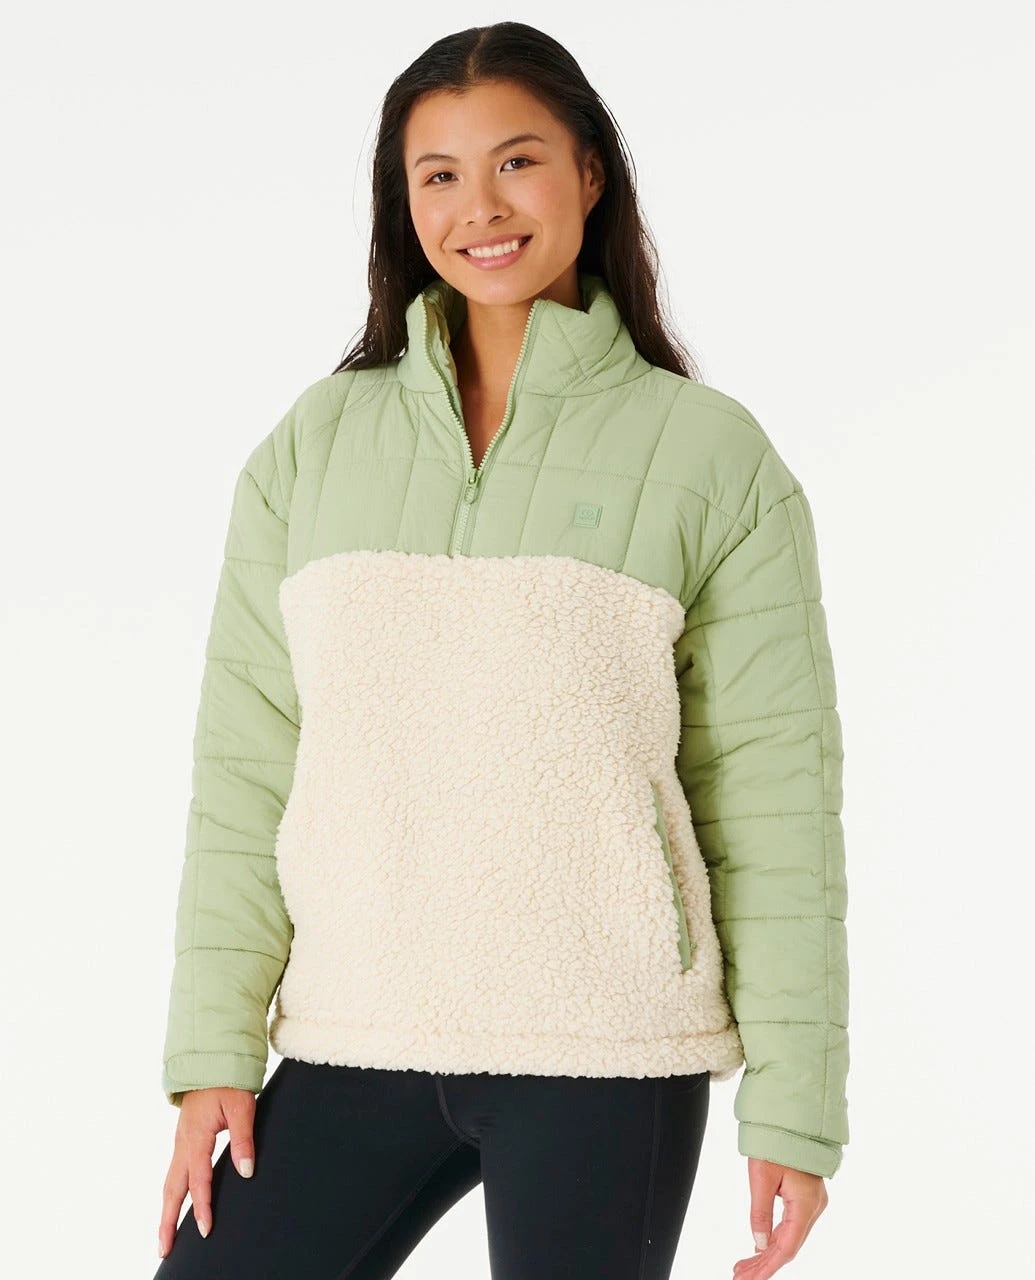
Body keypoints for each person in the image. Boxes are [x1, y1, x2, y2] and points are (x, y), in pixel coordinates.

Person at [154, 21, 849, 1280]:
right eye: (439, 174)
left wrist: (793, 1104)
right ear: (403, 199)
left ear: (589, 172)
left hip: (604, 1046)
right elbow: (246, 771)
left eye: (517, 161)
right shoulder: (313, 447)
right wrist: (213, 1049)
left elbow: (774, 800)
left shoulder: (713, 459)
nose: (480, 207)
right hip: (355, 1027)